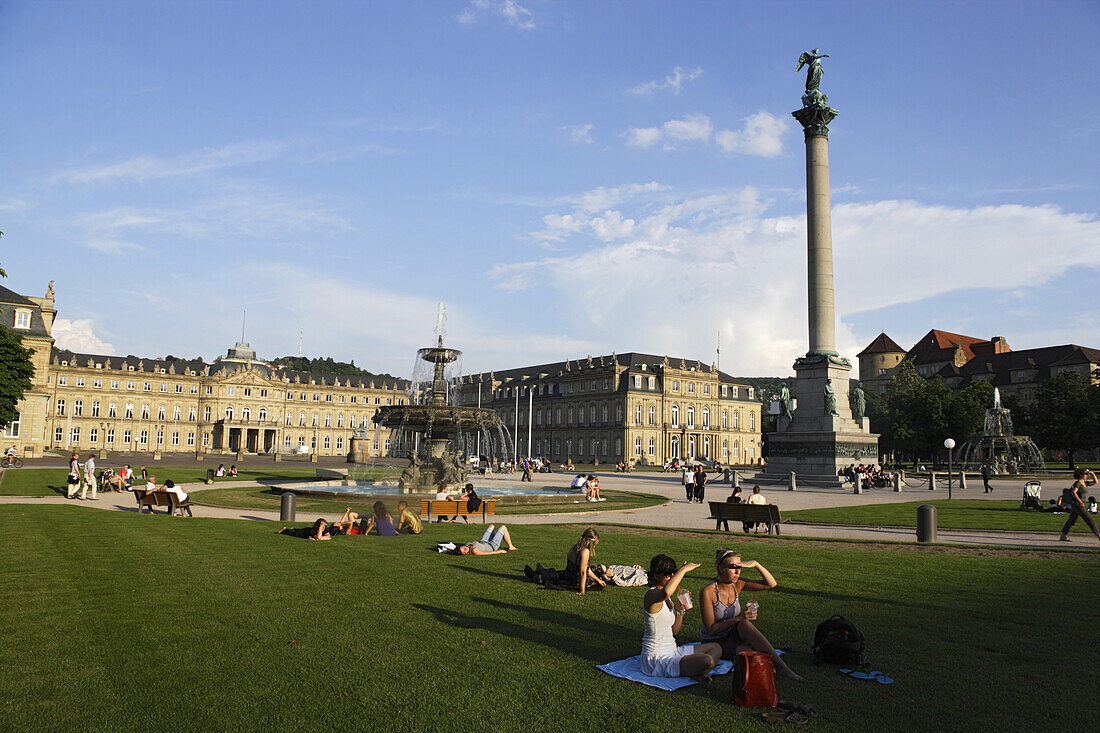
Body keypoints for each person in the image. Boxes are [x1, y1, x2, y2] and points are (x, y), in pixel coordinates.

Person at [699, 548, 802, 679]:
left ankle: (783, 668)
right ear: (720, 568)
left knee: (745, 625)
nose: (737, 571)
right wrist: (737, 618)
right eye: (733, 567)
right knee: (758, 656)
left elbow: (771, 584)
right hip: (716, 641)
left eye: (739, 567)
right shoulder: (708, 592)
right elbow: (711, 629)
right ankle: (773, 668)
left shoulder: (738, 584)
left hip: (734, 633)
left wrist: (756, 564)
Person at [640, 555, 722, 681]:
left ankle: (696, 672)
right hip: (657, 658)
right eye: (668, 573)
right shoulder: (651, 596)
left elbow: (674, 630)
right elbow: (666, 592)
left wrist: (680, 610)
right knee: (707, 660)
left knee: (716, 647)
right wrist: (683, 570)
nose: (672, 576)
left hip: (673, 650)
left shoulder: (668, 600)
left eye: (674, 572)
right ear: (656, 575)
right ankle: (696, 670)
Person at [1058, 468, 1100, 544]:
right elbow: (1074, 492)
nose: (1087, 475)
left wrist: (1093, 474)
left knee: (1072, 519)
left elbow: (1095, 482)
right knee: (1089, 519)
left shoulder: (1084, 483)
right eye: (1086, 474)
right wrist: (1080, 501)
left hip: (1078, 504)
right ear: (1081, 475)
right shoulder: (1078, 483)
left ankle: (1063, 535)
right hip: (1078, 505)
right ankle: (1098, 535)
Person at [452, 524, 517, 555]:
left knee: (491, 526)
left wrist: (475, 543)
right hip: (492, 545)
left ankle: (496, 537)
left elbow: (475, 543)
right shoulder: (474, 551)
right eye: (463, 550)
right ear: (464, 553)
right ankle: (510, 546)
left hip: (484, 541)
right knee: (503, 527)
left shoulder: (467, 545)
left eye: (462, 547)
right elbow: (487, 553)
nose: (464, 548)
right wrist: (499, 551)